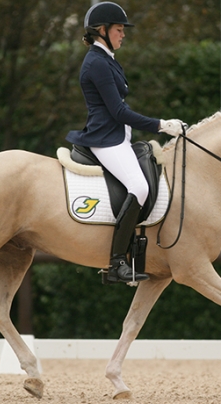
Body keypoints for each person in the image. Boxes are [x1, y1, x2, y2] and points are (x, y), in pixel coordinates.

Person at [66, 1, 186, 284]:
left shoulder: (106, 58)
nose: (123, 34)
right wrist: (161, 125)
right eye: (119, 29)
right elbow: (119, 112)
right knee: (140, 187)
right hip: (106, 140)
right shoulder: (96, 62)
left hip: (118, 137)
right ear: (102, 30)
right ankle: (117, 262)